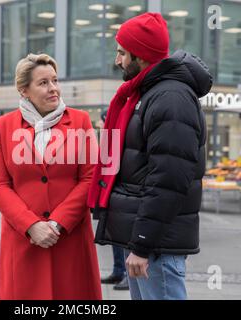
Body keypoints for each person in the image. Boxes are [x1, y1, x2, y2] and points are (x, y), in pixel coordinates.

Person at [87, 13, 211, 300]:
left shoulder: (170, 98)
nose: (117, 60)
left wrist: (142, 244)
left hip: (157, 247)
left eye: (121, 52)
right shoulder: (150, 93)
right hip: (149, 243)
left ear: (140, 55)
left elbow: (168, 180)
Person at [0, 53, 101, 300]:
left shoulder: (80, 121)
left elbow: (90, 178)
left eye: (55, 80)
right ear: (24, 90)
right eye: (43, 83)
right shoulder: (2, 127)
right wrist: (31, 225)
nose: (54, 89)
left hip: (69, 238)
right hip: (23, 240)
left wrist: (57, 222)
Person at [96, 109, 129, 291]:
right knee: (114, 236)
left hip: (119, 194)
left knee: (122, 237)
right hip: (109, 195)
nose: (100, 124)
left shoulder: (117, 137)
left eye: (102, 121)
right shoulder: (106, 138)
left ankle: (125, 273)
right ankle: (118, 271)